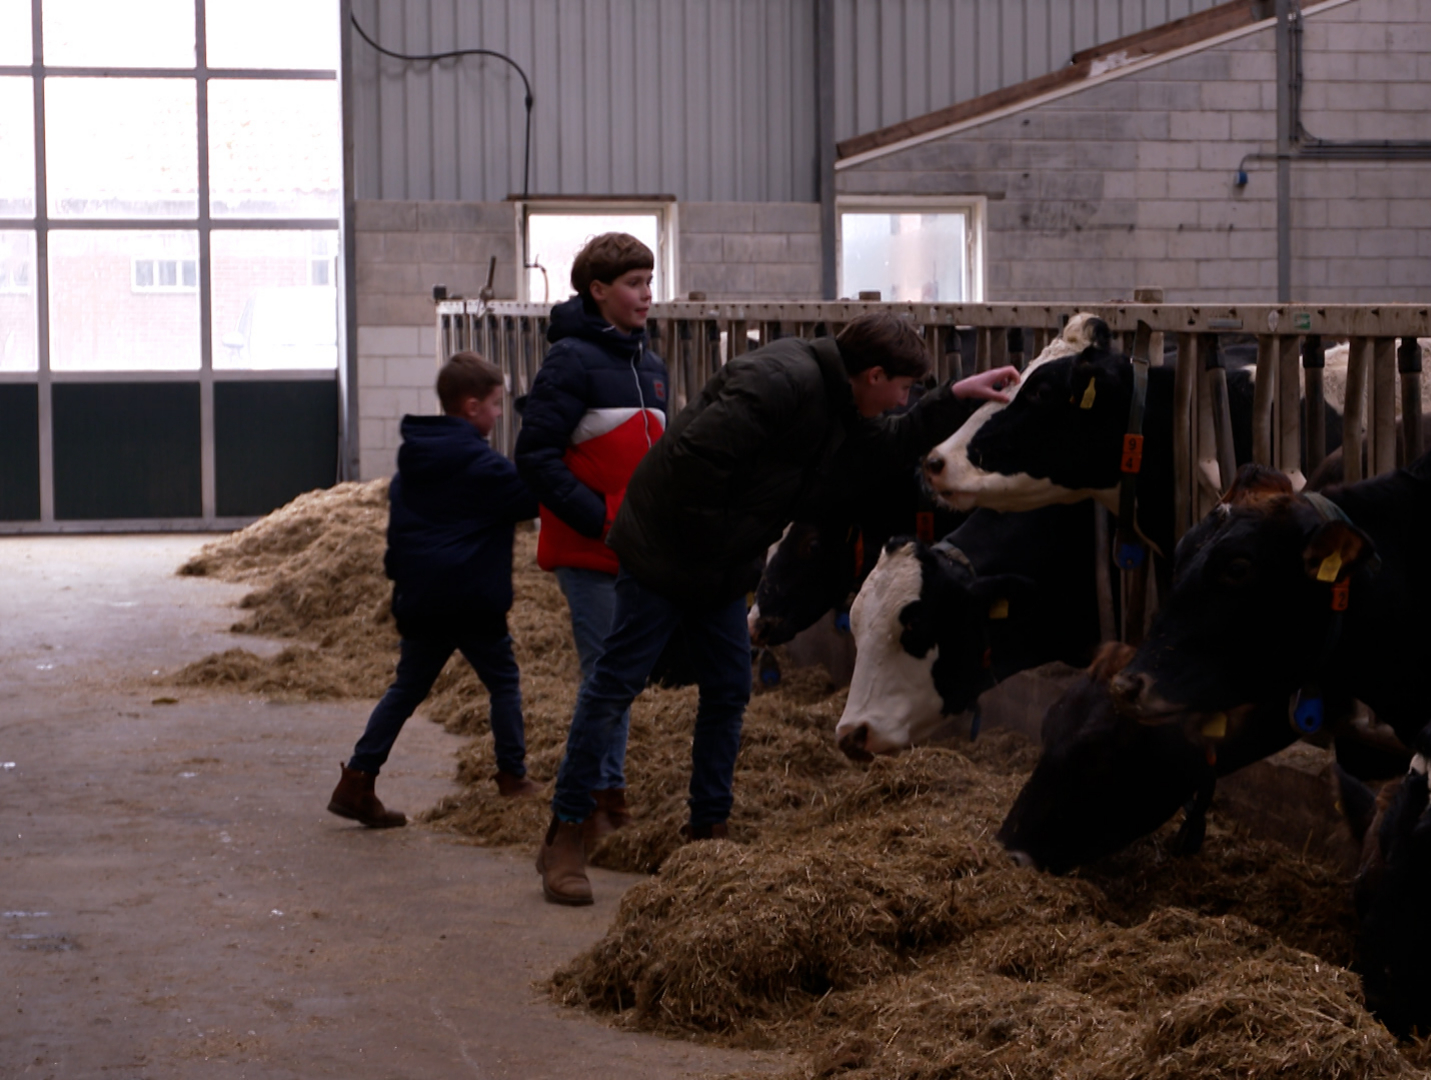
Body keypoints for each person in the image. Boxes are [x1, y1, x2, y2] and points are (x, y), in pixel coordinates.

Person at [534, 313, 1018, 904]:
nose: (904, 399)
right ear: (871, 375)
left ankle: (708, 831)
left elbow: (883, 448)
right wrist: (748, 528)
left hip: (720, 561)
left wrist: (952, 401)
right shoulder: (777, 381)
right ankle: (567, 832)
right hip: (665, 550)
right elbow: (694, 459)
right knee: (614, 685)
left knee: (729, 690)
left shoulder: (841, 403)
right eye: (905, 387)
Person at [328, 352, 541, 827]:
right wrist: (540, 440)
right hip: (472, 601)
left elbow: (398, 532)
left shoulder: (413, 463)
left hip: (422, 599)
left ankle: (358, 779)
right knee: (504, 683)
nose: (499, 413)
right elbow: (531, 496)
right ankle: (512, 776)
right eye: (495, 403)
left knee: (406, 690)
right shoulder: (481, 465)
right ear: (471, 407)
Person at [513, 232, 668, 839]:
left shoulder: (648, 365)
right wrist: (602, 518)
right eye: (634, 284)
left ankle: (608, 787)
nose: (646, 296)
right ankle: (596, 799)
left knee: (621, 674)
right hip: (590, 547)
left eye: (650, 282)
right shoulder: (571, 361)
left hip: (638, 551)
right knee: (607, 673)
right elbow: (535, 457)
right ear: (598, 291)